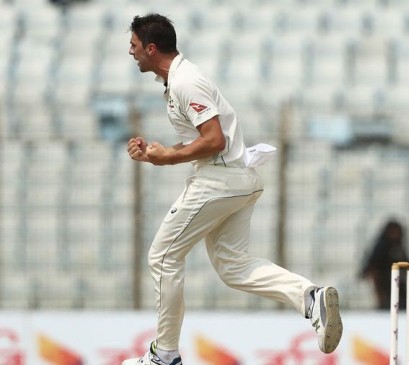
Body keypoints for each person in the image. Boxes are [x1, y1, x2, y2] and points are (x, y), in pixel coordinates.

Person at [122, 14, 342, 365]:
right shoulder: (177, 81)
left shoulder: (185, 81)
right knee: (232, 266)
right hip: (236, 178)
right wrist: (155, 155)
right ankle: (310, 297)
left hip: (219, 179)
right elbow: (202, 141)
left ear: (151, 48)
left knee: (163, 257)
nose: (130, 52)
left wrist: (168, 159)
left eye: (133, 46)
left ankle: (164, 355)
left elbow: (214, 140)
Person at [360, 220, 409, 310]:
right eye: (393, 231)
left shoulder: (399, 245)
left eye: (397, 231)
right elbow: (373, 263)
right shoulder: (381, 245)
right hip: (385, 283)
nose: (395, 234)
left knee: (402, 304)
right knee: (388, 306)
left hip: (400, 283)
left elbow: (406, 262)